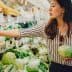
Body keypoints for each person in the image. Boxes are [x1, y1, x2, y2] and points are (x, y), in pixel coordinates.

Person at [0, 0, 72, 72]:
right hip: (55, 68)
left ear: (63, 9)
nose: (50, 9)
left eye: (53, 6)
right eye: (50, 6)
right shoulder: (46, 27)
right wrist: (1, 32)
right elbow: (21, 32)